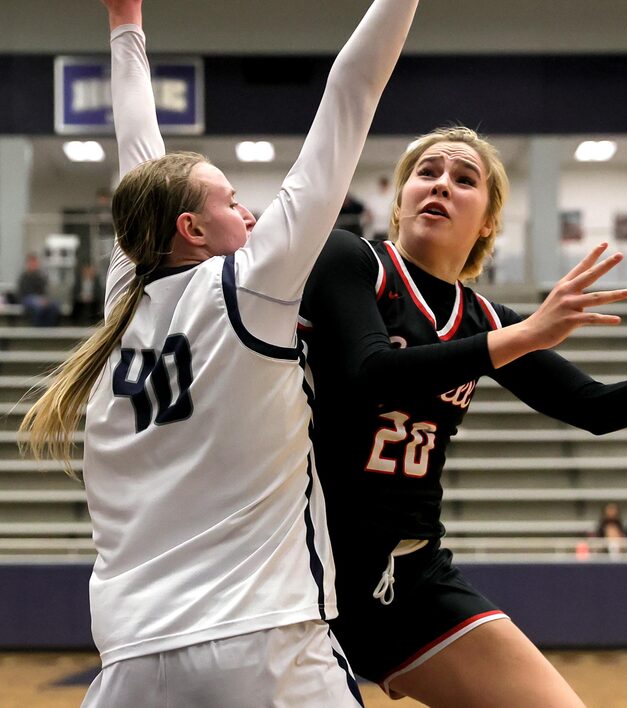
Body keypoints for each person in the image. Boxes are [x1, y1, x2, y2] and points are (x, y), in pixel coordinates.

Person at [298, 125, 627, 706]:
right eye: (427, 173)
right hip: (299, 571)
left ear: (488, 221)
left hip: (407, 577)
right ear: (400, 201)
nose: (442, 183)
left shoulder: (487, 319)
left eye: (464, 179)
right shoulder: (353, 261)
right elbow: (369, 373)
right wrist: (523, 336)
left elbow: (592, 406)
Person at [19, 0, 418, 706]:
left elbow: (138, 151)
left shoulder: (125, 293)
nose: (251, 213)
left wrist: (125, 25)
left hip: (132, 663)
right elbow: (351, 91)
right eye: (233, 202)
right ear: (192, 229)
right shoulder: (256, 282)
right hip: (265, 644)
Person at [17, 253, 61, 326]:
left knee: (54, 305)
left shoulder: (40, 276)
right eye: (32, 262)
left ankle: (49, 329)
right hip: (28, 299)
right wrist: (39, 300)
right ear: (28, 263)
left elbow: (44, 290)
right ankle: (37, 329)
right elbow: (25, 293)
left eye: (35, 262)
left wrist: (44, 299)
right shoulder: (24, 276)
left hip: (41, 299)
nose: (34, 264)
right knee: (38, 307)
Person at [364, 174, 393, 241]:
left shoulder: (391, 198)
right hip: (377, 229)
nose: (383, 188)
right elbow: (368, 213)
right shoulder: (374, 198)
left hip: (388, 230)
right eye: (382, 185)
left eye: (385, 185)